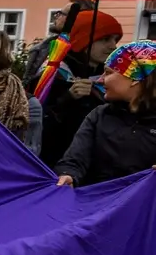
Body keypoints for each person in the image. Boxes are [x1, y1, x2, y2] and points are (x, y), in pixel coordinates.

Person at [55, 40, 156, 186]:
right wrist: (68, 175)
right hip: (96, 206)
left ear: (134, 78)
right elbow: (73, 161)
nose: (101, 80)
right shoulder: (99, 115)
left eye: (108, 72)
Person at [30, 7, 123, 166]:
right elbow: (35, 123)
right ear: (83, 40)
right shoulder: (53, 74)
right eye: (105, 39)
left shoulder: (111, 78)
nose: (113, 46)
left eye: (115, 39)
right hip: (54, 165)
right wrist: (68, 98)